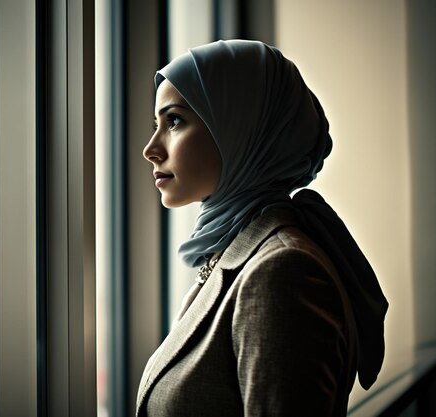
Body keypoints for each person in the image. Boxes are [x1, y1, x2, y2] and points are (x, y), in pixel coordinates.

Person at [137, 39, 389, 417]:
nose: (151, 148)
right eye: (156, 124)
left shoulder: (282, 271)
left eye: (174, 121)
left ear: (239, 126)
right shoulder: (239, 248)